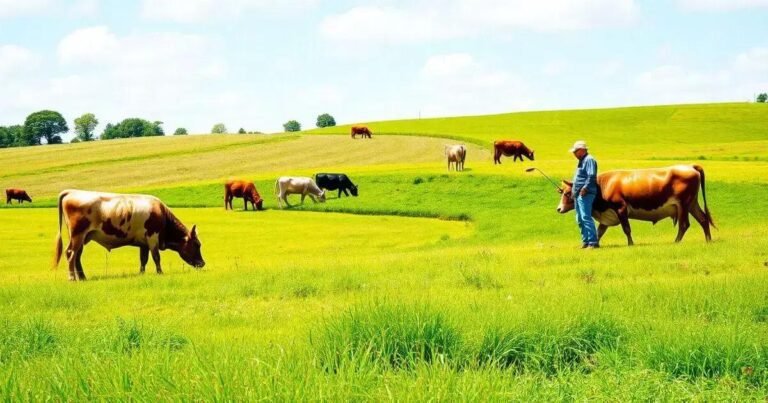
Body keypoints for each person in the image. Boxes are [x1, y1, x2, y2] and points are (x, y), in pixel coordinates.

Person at [570, 140, 599, 249]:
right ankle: (585, 241)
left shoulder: (589, 160)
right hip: (578, 194)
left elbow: (591, 176)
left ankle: (593, 242)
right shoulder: (582, 160)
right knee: (579, 218)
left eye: (575, 151)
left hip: (585, 193)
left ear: (582, 150)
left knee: (586, 217)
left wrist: (585, 188)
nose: (574, 154)